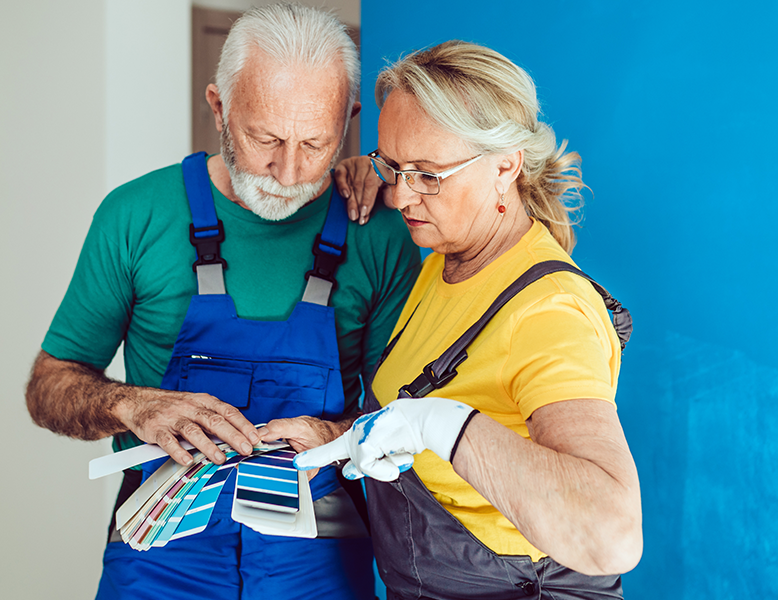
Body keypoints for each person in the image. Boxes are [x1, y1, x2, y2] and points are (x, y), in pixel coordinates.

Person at [24, 4, 420, 600]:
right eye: (264, 138)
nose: (288, 173)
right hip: (157, 564)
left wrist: (334, 433)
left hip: (320, 565)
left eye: (316, 143)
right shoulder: (135, 216)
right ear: (218, 107)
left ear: (350, 121)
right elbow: (48, 385)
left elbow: (410, 416)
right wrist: (133, 406)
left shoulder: (380, 231)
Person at [264, 41, 643, 599]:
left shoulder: (548, 311)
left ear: (505, 164)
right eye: (392, 167)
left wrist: (440, 424)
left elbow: (610, 535)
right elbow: (425, 428)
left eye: (428, 174)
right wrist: (336, 436)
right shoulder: (448, 258)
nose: (401, 196)